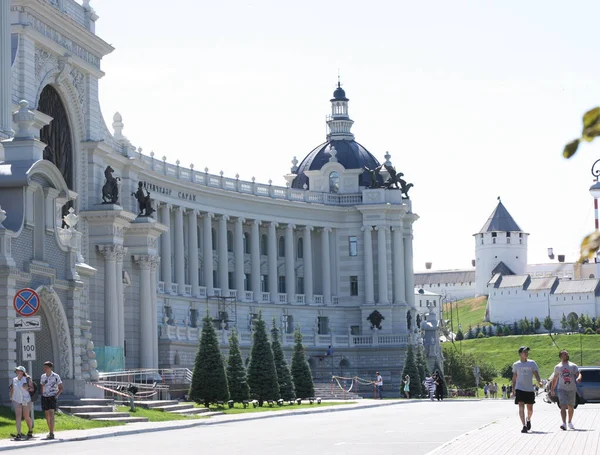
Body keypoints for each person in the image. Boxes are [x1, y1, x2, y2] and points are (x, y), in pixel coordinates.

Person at [512, 346, 543, 433]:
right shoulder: (516, 364)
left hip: (529, 389)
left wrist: (539, 382)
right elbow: (514, 378)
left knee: (530, 409)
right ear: (520, 354)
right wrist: (513, 389)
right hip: (520, 388)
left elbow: (536, 374)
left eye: (527, 352)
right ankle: (524, 425)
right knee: (521, 406)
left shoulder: (532, 363)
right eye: (524, 352)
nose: (526, 353)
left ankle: (528, 419)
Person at [549, 350, 582, 430]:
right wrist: (552, 389)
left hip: (571, 389)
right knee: (562, 406)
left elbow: (579, 374)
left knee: (571, 406)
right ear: (561, 356)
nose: (567, 355)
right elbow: (555, 379)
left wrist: (579, 378)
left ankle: (570, 422)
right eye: (565, 354)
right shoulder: (558, 367)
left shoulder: (573, 365)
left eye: (567, 354)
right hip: (561, 389)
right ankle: (564, 423)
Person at [40, 361, 63, 440]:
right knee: (47, 415)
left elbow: (61, 388)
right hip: (45, 396)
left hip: (52, 396)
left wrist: (56, 396)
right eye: (44, 367)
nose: (45, 369)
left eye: (46, 367)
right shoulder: (43, 376)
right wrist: (42, 394)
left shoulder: (56, 376)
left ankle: (52, 433)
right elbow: (42, 386)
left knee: (51, 413)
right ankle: (50, 431)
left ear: (50, 368)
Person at [10, 366, 33, 440]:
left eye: (18, 370)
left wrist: (28, 388)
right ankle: (19, 434)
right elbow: (13, 389)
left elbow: (32, 389)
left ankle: (30, 430)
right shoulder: (14, 379)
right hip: (17, 400)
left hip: (26, 400)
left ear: (22, 372)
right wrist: (11, 397)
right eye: (16, 370)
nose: (16, 371)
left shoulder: (27, 379)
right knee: (18, 417)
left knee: (26, 416)